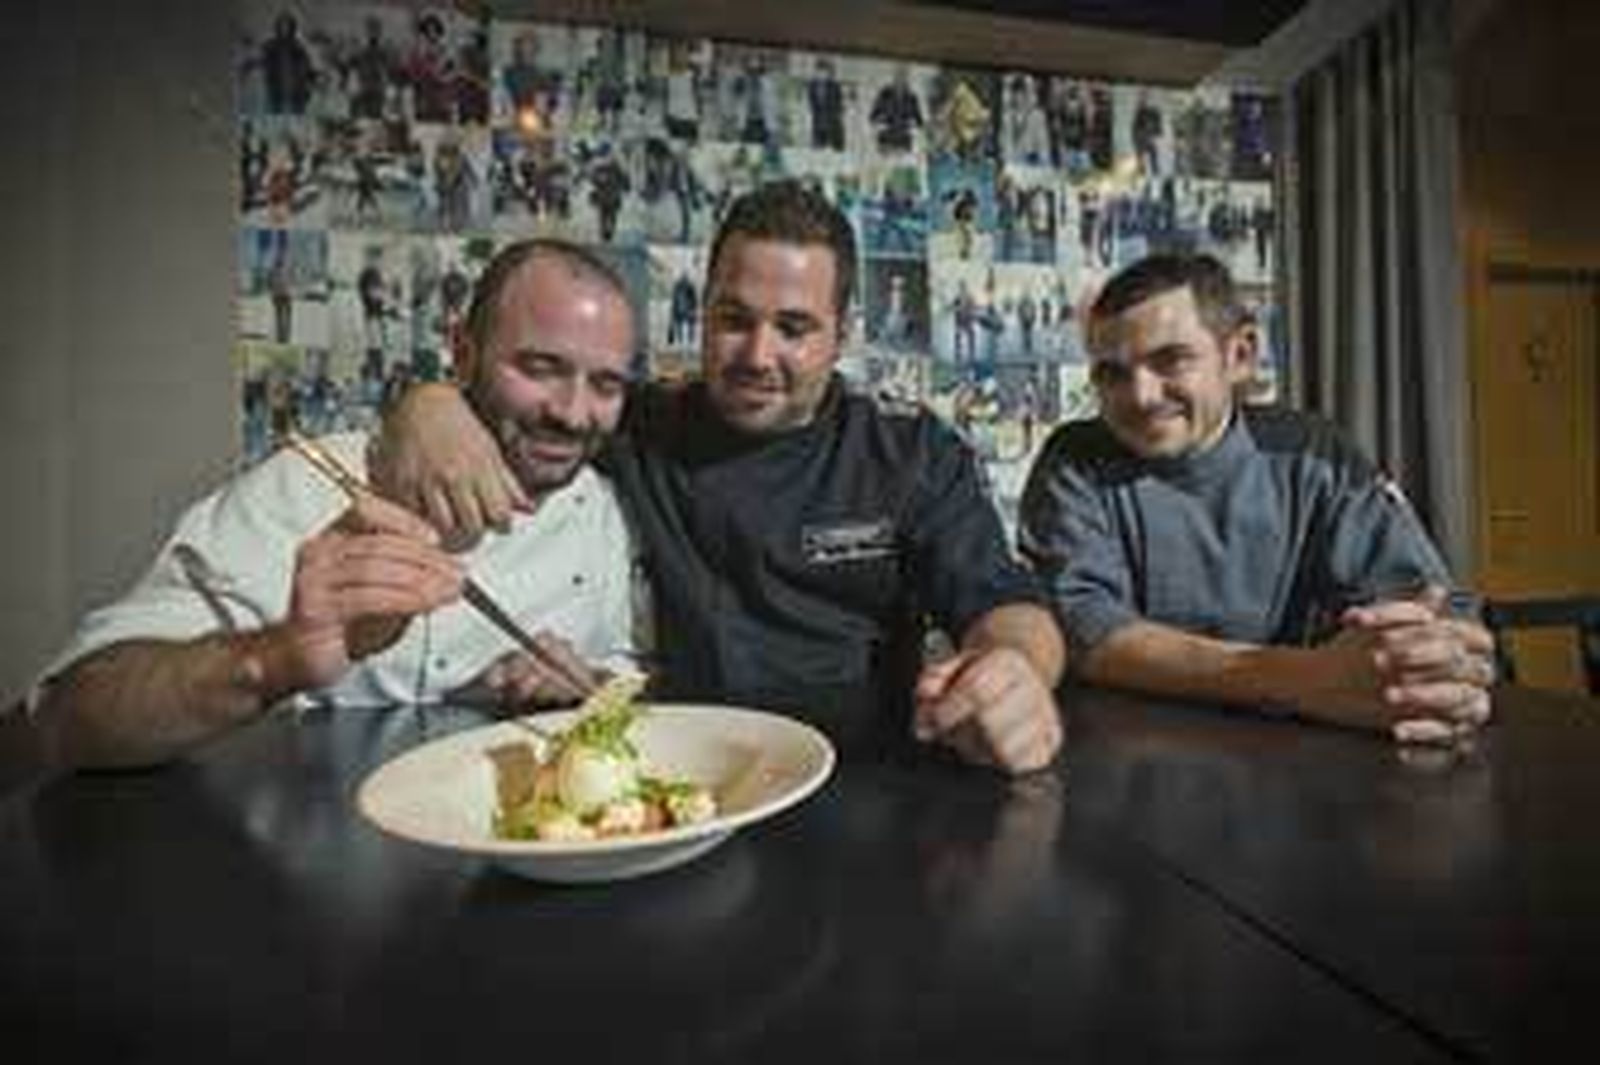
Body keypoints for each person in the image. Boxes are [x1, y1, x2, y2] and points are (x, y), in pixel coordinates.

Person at [376, 180, 1066, 774]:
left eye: (794, 327)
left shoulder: (907, 450)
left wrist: (1017, 672)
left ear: (843, 333)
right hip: (679, 773)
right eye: (735, 319)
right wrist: (428, 404)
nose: (758, 354)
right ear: (702, 311)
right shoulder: (638, 422)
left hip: (865, 776)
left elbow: (1008, 605)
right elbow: (525, 407)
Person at [30, 241, 643, 769]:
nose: (573, 413)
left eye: (606, 384)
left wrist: (579, 687)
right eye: (540, 368)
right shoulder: (306, 486)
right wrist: (276, 659)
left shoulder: (604, 516)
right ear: (463, 351)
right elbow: (68, 717)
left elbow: (616, 670)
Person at [1017, 252, 1495, 743]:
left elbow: (1429, 602)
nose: (1141, 394)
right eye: (1112, 373)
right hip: (1125, 754)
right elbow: (1084, 631)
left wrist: (1441, 664)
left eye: (1171, 360)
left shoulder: (1314, 455)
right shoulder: (1074, 460)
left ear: (1240, 355)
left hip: (1303, 759)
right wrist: (1306, 680)